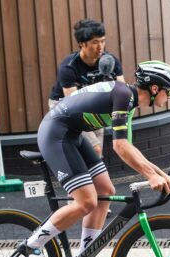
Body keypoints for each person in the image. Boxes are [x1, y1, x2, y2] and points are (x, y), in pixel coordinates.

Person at [18, 62, 170, 257]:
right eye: (169, 91)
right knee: (86, 201)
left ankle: (86, 255)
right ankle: (31, 246)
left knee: (105, 191)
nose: (169, 96)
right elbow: (120, 147)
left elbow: (129, 148)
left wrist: (160, 174)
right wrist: (150, 176)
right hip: (56, 134)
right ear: (155, 89)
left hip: (72, 134)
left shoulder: (128, 101)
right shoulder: (123, 96)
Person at [48, 19, 126, 157]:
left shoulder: (110, 61)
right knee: (93, 148)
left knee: (96, 152)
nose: (100, 47)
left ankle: (93, 176)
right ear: (82, 44)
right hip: (65, 105)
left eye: (102, 41)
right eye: (95, 42)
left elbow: (122, 89)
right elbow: (74, 104)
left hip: (94, 105)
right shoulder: (69, 67)